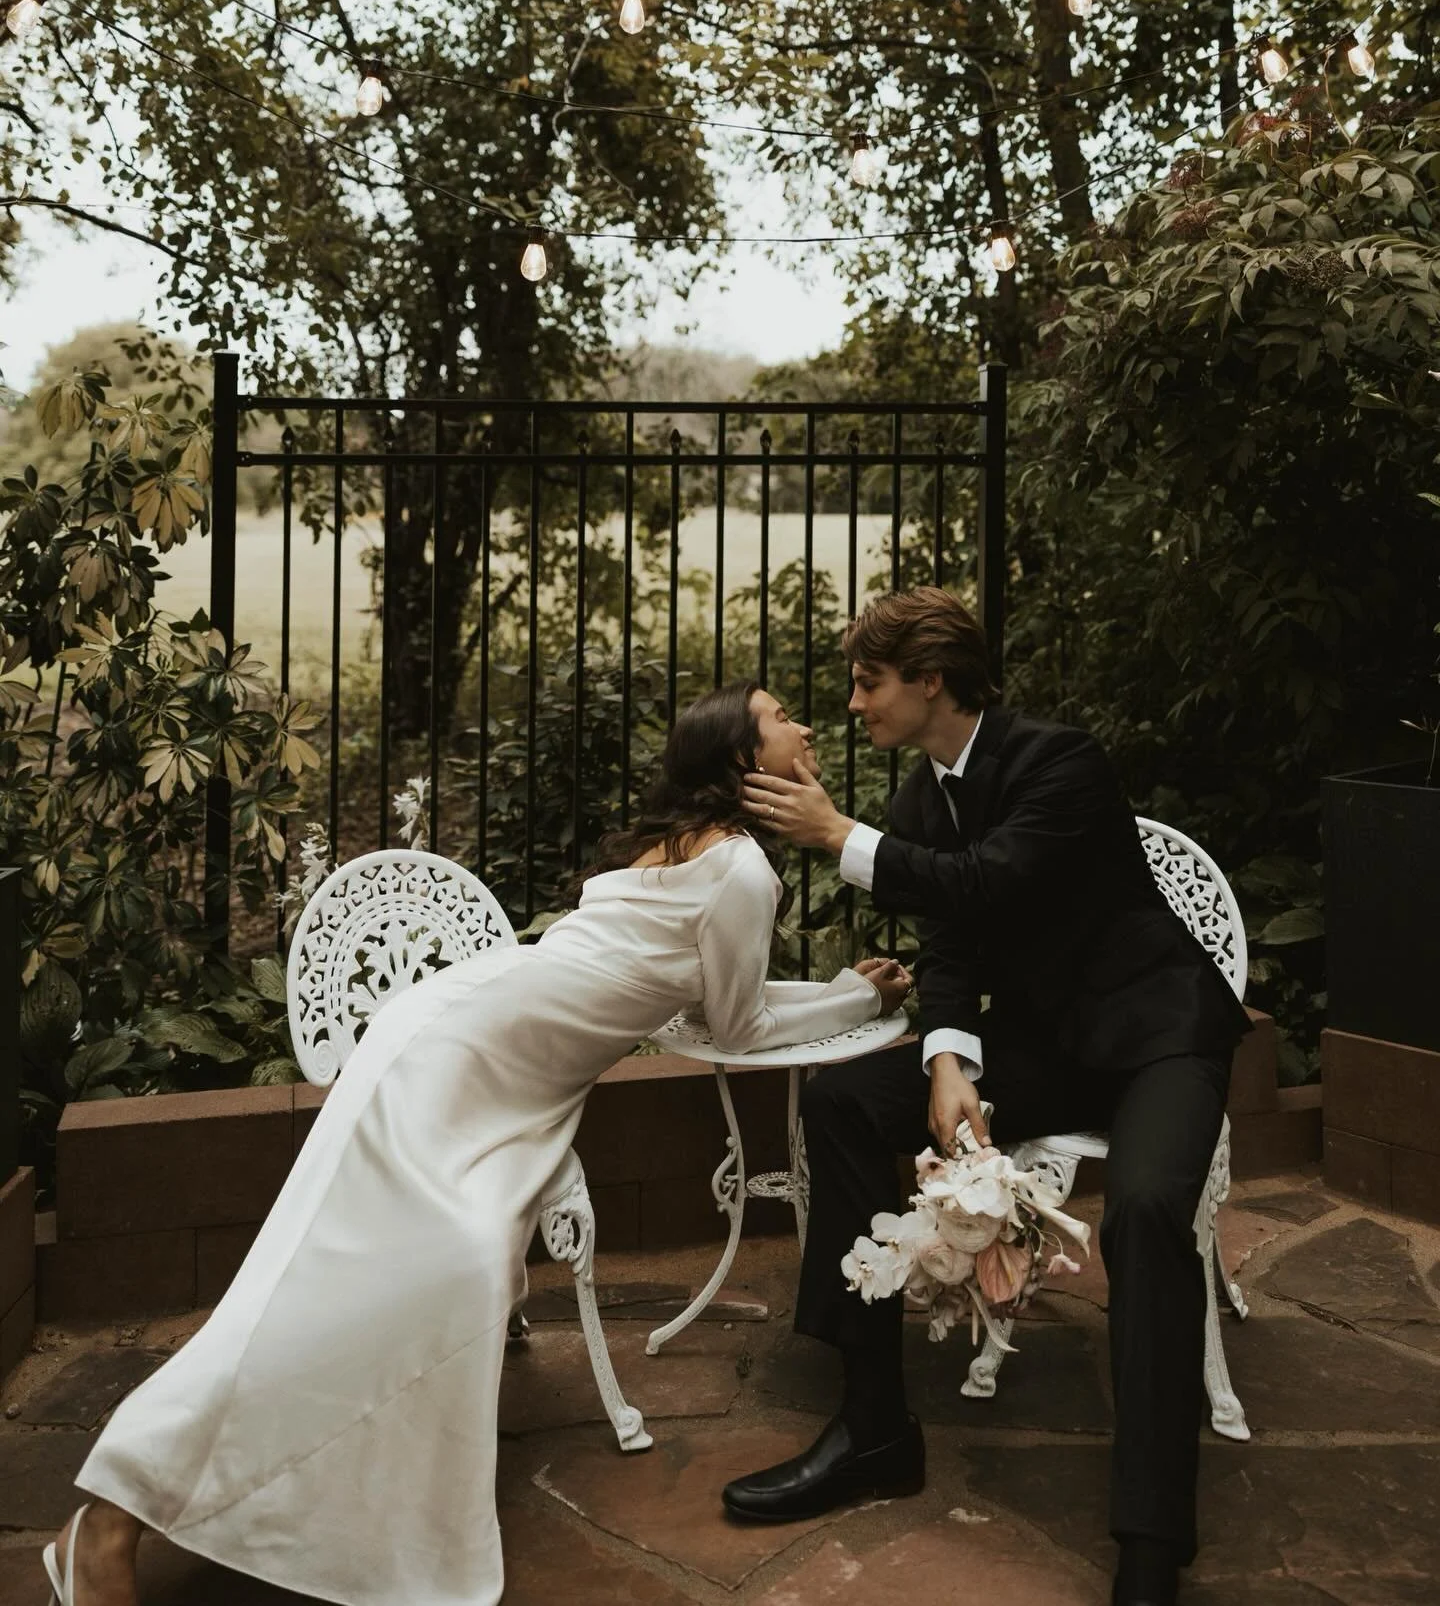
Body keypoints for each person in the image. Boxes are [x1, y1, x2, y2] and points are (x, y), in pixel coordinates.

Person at [46, 681, 912, 1606]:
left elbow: (721, 1009)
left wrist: (848, 992)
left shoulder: (717, 857)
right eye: (784, 717)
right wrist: (857, 997)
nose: (810, 726)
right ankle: (111, 1516)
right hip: (456, 1063)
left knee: (416, 1277)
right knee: (320, 1289)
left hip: (478, 1061)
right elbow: (738, 1029)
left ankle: (289, 1500)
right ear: (744, 759)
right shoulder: (740, 871)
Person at [725, 588, 1252, 1606]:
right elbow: (951, 948)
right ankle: (874, 1428)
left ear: (930, 679)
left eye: (867, 682)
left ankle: (1151, 1540)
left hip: (1160, 1035)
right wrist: (949, 1061)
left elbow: (987, 880)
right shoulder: (924, 795)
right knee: (840, 1102)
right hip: (1046, 1043)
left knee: (1144, 1213)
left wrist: (841, 836)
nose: (850, 705)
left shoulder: (1062, 758)